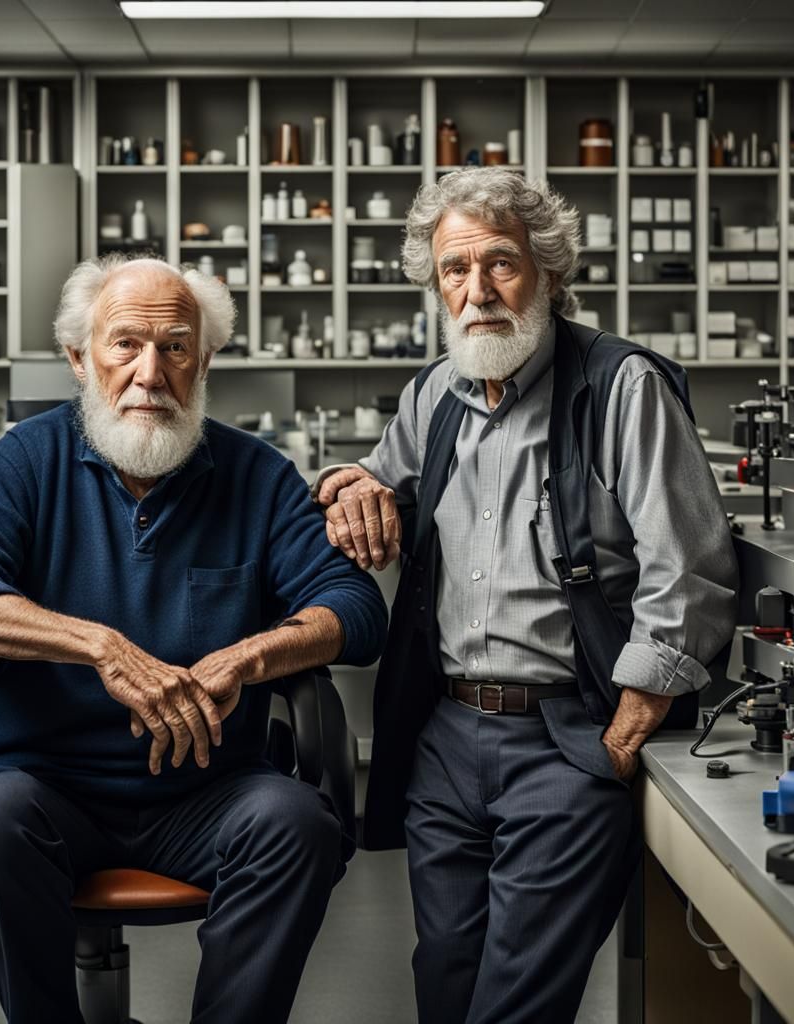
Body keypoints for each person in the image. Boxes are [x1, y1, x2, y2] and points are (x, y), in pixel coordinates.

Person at [0, 255, 387, 1024]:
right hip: (44, 787)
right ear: (79, 357)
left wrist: (250, 656)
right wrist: (100, 647)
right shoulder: (25, 462)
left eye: (175, 348)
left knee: (297, 824)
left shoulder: (258, 476)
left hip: (211, 793)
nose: (150, 372)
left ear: (205, 360)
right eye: (126, 344)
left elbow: (355, 609)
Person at [316, 167, 737, 1024]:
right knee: (445, 981)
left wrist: (626, 727)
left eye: (500, 264)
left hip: (568, 739)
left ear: (548, 270)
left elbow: (690, 568)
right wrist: (345, 481)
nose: (477, 292)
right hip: (445, 741)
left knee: (515, 1004)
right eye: (455, 270)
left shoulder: (621, 386)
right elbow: (375, 482)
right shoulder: (434, 394)